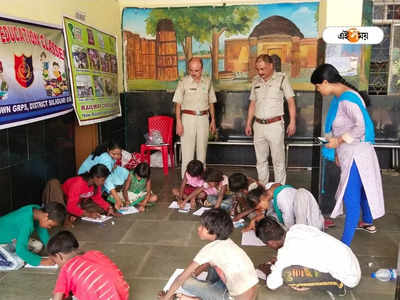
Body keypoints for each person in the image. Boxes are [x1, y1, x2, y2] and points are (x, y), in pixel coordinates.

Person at [310, 63, 385, 245]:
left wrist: (339, 141)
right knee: (363, 190)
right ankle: (366, 222)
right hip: (353, 154)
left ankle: (345, 246)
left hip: (356, 157)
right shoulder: (345, 95)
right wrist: (337, 149)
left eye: (318, 86)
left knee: (351, 201)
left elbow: (360, 127)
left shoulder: (346, 100)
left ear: (326, 82)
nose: (318, 90)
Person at [158, 208, 258, 300]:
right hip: (251, 289)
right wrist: (196, 272)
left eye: (203, 227)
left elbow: (180, 278)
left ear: (214, 232)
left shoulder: (209, 250)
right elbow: (208, 263)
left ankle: (197, 298)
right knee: (213, 264)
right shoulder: (227, 241)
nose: (198, 228)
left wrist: (166, 297)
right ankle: (203, 294)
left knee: (185, 282)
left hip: (233, 297)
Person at [255, 217, 361, 296]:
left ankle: (338, 286)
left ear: (270, 243)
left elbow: (272, 284)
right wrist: (279, 263)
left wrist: (268, 271)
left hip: (347, 279)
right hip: (351, 262)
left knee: (289, 274)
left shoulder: (285, 254)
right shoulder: (297, 228)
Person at [245, 54, 296, 185]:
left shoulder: (282, 79)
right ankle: (263, 188)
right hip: (258, 125)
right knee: (261, 160)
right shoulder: (255, 81)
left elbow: (290, 101)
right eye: (258, 69)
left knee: (278, 160)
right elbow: (252, 104)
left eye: (263, 69)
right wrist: (248, 123)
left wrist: (293, 122)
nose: (260, 72)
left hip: (275, 125)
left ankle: (280, 190)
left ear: (271, 66)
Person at [48, 230, 130, 300]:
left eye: (55, 261)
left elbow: (58, 296)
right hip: (122, 295)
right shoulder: (96, 253)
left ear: (59, 256)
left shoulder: (67, 269)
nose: (57, 264)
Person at [173, 57, 217, 179]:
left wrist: (213, 120)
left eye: (197, 70)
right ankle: (186, 183)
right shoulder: (183, 82)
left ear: (202, 69)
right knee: (187, 154)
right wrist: (178, 123)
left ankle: (200, 182)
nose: (193, 73)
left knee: (202, 153)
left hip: (203, 118)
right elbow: (178, 104)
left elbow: (211, 102)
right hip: (187, 118)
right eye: (191, 70)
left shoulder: (207, 82)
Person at [0, 202, 66, 267]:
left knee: (37, 246)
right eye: (50, 225)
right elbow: (20, 250)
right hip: (2, 242)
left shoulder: (37, 210)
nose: (49, 228)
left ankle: (15, 254)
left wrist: (53, 252)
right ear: (46, 216)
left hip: (12, 240)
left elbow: (43, 232)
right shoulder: (27, 223)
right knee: (15, 263)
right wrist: (41, 261)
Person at [245, 183, 324, 231]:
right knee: (270, 216)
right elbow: (270, 213)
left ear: (262, 198)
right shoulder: (269, 189)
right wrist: (256, 219)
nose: (261, 210)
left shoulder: (282, 198)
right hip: (297, 218)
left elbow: (289, 224)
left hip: (310, 223)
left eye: (259, 207)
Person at [78, 141, 125, 209]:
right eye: (114, 154)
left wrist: (112, 167)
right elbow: (107, 180)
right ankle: (89, 199)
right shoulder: (106, 158)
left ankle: (98, 196)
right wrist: (117, 199)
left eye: (119, 154)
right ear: (108, 150)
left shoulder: (109, 155)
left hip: (94, 175)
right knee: (109, 183)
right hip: (85, 176)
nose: (116, 156)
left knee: (117, 177)